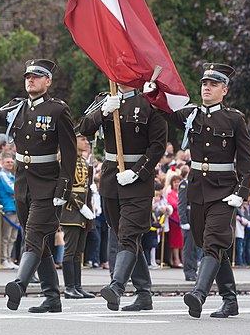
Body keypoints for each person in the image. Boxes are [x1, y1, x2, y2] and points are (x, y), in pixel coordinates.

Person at [0, 59, 75, 313]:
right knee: (38, 239)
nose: (30, 80)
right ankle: (52, 297)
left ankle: (19, 285)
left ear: (47, 81)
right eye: (27, 76)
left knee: (33, 236)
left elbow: (70, 153)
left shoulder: (58, 110)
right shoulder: (18, 107)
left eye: (36, 76)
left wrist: (63, 189)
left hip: (48, 183)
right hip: (23, 184)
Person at [152, 63, 250, 319]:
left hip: (224, 191)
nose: (206, 88)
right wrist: (153, 93)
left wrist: (241, 192)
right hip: (198, 189)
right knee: (210, 245)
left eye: (213, 84)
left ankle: (198, 293)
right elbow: (166, 112)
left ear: (224, 90)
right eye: (204, 84)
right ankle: (230, 301)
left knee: (214, 242)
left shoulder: (234, 118)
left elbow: (246, 160)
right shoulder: (191, 114)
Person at [78, 82, 165, 313]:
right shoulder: (105, 98)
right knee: (125, 236)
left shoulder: (150, 102)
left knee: (128, 236)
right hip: (111, 178)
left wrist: (137, 171)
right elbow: (84, 128)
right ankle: (144, 293)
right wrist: (103, 111)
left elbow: (157, 146)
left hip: (138, 181)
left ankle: (116, 286)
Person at [59, 134, 95, 299]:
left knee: (78, 252)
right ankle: (69, 287)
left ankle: (77, 286)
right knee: (70, 250)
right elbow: (65, 187)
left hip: (83, 209)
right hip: (71, 209)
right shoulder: (67, 160)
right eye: (83, 139)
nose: (86, 142)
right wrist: (80, 206)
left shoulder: (82, 161)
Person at [0, 152, 18, 268]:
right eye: (7, 162)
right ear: (2, 163)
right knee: (6, 236)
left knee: (13, 236)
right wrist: (16, 195)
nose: (10, 164)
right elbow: (13, 190)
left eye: (11, 161)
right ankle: (4, 258)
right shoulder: (3, 175)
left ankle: (9, 258)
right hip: (8, 207)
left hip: (15, 207)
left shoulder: (11, 175)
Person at [177, 165, 199, 281]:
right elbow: (181, 204)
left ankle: (194, 269)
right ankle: (189, 271)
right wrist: (184, 221)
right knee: (189, 247)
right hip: (189, 218)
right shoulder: (184, 184)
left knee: (195, 247)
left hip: (196, 218)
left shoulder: (195, 184)